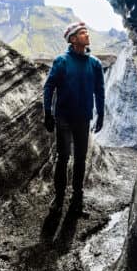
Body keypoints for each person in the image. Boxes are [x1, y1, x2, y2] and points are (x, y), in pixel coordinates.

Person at [43, 21, 105, 210]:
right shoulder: (62, 61)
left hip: (83, 119)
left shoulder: (95, 64)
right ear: (73, 39)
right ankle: (59, 198)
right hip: (63, 118)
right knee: (63, 158)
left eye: (87, 32)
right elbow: (49, 86)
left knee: (80, 159)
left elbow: (99, 91)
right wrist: (47, 112)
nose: (87, 35)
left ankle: (77, 199)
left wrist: (101, 113)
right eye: (83, 33)